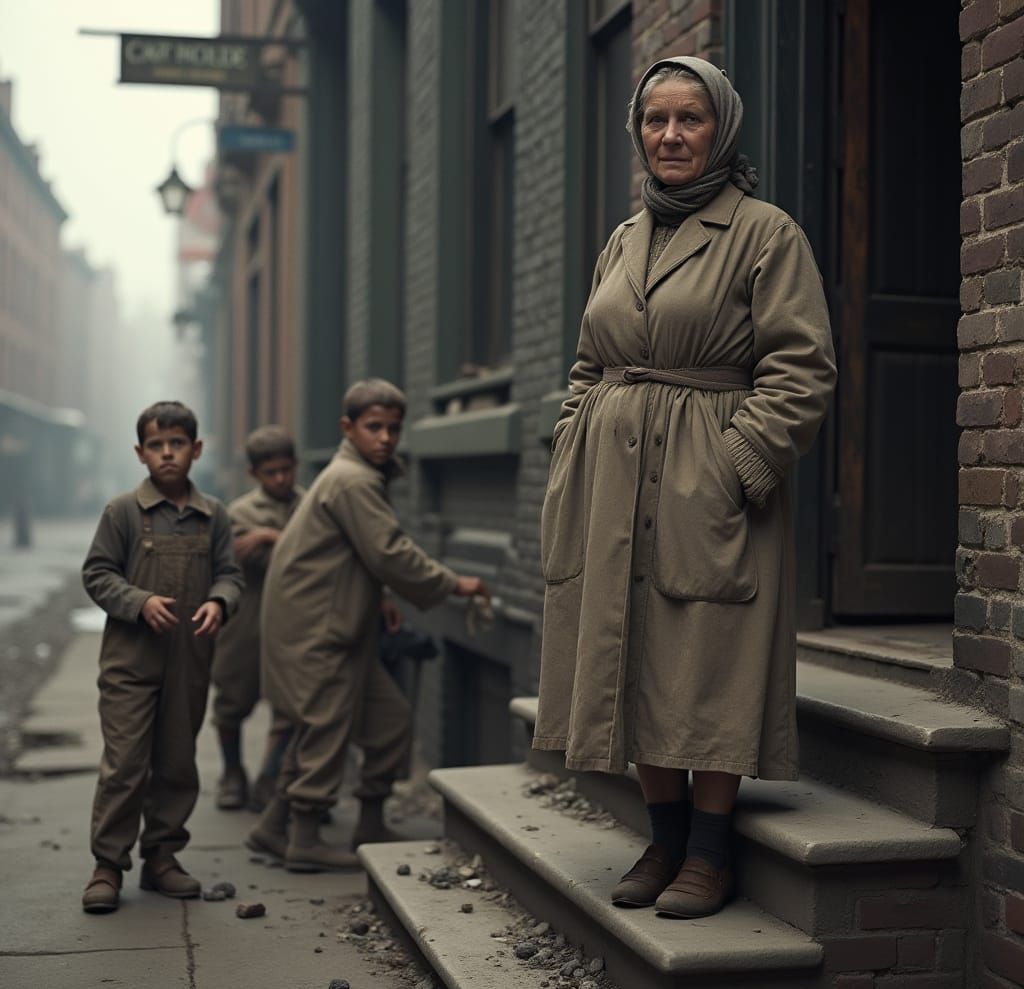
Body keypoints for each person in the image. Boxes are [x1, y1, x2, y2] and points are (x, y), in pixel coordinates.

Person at [533, 57, 837, 919]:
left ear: (721, 129)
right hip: (609, 480)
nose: (670, 135)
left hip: (708, 472)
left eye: (689, 119)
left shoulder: (764, 232)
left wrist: (741, 465)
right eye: (655, 120)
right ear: (639, 132)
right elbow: (590, 361)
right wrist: (571, 442)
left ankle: (709, 851)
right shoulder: (623, 241)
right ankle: (661, 836)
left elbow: (803, 366)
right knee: (632, 652)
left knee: (707, 652)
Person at [249, 379, 491, 871]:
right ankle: (304, 839)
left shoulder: (357, 475)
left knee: (389, 722)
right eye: (373, 427)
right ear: (348, 428)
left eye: (393, 429)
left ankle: (307, 824)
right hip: (321, 628)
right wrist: (454, 584)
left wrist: (377, 596)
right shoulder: (352, 480)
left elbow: (357, 554)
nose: (385, 438)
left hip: (340, 623)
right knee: (325, 729)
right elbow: (389, 552)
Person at [80, 401, 244, 913]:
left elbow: (231, 574)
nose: (167, 453)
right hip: (131, 663)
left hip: (190, 660)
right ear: (140, 453)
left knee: (176, 760)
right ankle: (108, 864)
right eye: (156, 445)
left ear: (196, 450)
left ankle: (162, 858)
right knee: (126, 763)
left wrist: (220, 601)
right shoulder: (123, 512)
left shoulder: (214, 515)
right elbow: (97, 573)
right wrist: (139, 601)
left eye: (177, 444)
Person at [209, 425, 304, 812]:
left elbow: (315, 555)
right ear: (254, 474)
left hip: (295, 623)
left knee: (293, 706)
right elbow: (242, 556)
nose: (281, 479)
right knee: (232, 701)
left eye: (286, 469)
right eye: (271, 472)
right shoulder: (240, 512)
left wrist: (270, 536)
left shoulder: (310, 505)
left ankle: (271, 777)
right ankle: (233, 773)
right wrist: (269, 538)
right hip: (246, 622)